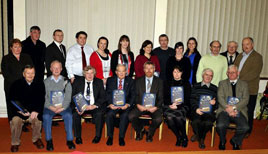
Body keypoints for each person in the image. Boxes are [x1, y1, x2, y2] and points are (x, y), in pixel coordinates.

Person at [9, 65, 45, 152]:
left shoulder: (39, 84)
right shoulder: (16, 84)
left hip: (33, 112)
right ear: (23, 74)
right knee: (15, 121)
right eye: (28, 73)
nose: (30, 75)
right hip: (19, 112)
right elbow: (12, 100)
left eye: (32, 73)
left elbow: (41, 100)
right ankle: (15, 143)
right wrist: (20, 111)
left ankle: (36, 139)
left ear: (35, 74)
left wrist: (36, 111)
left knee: (37, 119)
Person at [43, 61, 75, 151]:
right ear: (50, 69)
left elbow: (68, 96)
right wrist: (51, 107)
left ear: (61, 69)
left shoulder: (66, 81)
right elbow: (43, 98)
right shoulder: (45, 82)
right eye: (54, 68)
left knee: (68, 115)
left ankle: (69, 140)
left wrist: (63, 107)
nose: (56, 70)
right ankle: (49, 140)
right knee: (46, 116)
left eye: (58, 68)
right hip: (50, 107)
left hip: (63, 106)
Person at [234, 37, 263, 135]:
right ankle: (239, 127)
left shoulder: (257, 57)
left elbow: (254, 73)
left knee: (248, 111)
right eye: (243, 44)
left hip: (250, 89)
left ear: (252, 45)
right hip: (238, 89)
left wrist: (238, 80)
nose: (245, 46)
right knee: (239, 109)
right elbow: (234, 68)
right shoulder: (239, 56)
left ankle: (247, 130)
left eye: (247, 44)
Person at [216, 65, 249, 150]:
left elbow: (245, 99)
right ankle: (222, 140)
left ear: (238, 73)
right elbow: (220, 97)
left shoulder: (244, 84)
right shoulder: (222, 83)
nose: (231, 74)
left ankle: (235, 141)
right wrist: (228, 109)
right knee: (220, 125)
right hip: (224, 110)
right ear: (227, 73)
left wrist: (234, 108)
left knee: (245, 127)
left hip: (239, 110)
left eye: (233, 72)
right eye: (229, 72)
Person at [129, 61, 163, 142]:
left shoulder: (159, 81)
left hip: (153, 107)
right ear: (144, 69)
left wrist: (156, 107)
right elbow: (135, 95)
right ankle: (140, 130)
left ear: (154, 69)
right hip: (141, 106)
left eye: (151, 68)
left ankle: (150, 133)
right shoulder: (137, 81)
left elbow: (161, 97)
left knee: (158, 119)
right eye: (147, 68)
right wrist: (137, 105)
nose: (149, 70)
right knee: (131, 116)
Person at [72, 66, 106, 144]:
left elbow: (103, 97)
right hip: (81, 106)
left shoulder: (99, 82)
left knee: (99, 114)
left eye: (92, 73)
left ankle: (97, 136)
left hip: (93, 106)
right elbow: (72, 96)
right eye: (87, 73)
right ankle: (78, 137)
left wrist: (94, 105)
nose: (90, 75)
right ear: (84, 74)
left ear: (94, 74)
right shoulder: (77, 82)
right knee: (75, 114)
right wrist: (78, 107)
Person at [1, 38, 33, 121]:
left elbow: (31, 69)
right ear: (11, 48)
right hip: (11, 86)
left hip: (24, 85)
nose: (18, 49)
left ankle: (23, 122)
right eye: (15, 47)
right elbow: (6, 74)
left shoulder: (26, 57)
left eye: (19, 47)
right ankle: (13, 122)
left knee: (23, 104)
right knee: (12, 106)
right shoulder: (6, 58)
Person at [105, 64, 135, 146]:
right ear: (116, 72)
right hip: (113, 105)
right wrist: (110, 104)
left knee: (125, 115)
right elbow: (107, 93)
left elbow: (133, 95)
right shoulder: (110, 80)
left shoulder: (131, 81)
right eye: (119, 71)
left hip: (125, 105)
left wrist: (128, 104)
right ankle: (110, 137)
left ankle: (121, 137)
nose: (121, 73)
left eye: (123, 71)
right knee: (109, 114)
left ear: (126, 72)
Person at [163, 66, 191, 147]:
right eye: (175, 72)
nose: (176, 74)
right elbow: (165, 97)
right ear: (172, 73)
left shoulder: (186, 83)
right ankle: (179, 137)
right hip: (170, 105)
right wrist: (171, 104)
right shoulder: (167, 82)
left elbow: (187, 98)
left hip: (182, 106)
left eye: (178, 72)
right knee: (169, 118)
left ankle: (184, 137)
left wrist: (178, 106)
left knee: (178, 117)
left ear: (182, 73)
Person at [190, 68, 217, 149]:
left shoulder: (215, 88)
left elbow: (218, 102)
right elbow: (191, 99)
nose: (208, 77)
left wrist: (214, 103)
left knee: (208, 123)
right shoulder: (195, 86)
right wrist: (196, 109)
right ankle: (200, 137)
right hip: (197, 110)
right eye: (206, 75)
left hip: (209, 112)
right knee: (195, 121)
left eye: (211, 76)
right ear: (202, 75)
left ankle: (199, 137)